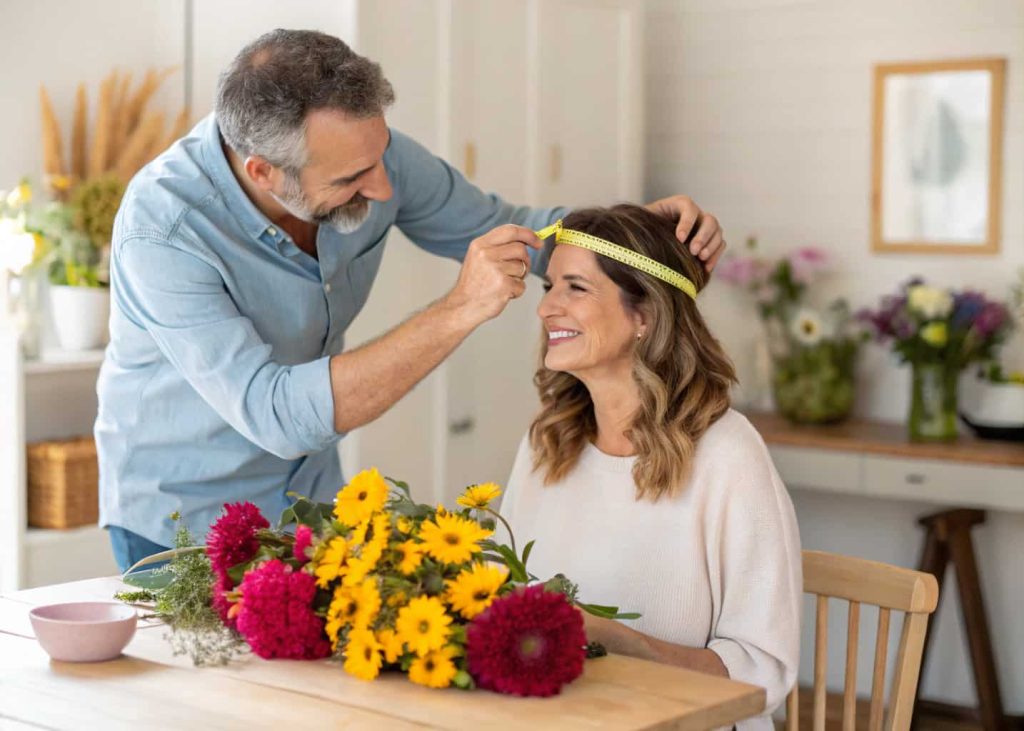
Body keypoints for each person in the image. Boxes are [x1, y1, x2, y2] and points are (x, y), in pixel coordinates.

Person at [96, 29, 727, 572]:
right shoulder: (165, 231)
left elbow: (509, 229)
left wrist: (630, 229)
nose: (385, 186)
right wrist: (461, 308)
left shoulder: (369, 157)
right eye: (350, 180)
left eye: (382, 154)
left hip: (309, 500)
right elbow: (278, 415)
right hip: (180, 520)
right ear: (263, 170)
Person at [500, 205, 800, 729]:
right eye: (549, 286)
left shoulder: (727, 454)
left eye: (575, 288)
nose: (547, 307)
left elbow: (762, 673)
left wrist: (616, 640)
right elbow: (501, 589)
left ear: (647, 316)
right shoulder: (546, 441)